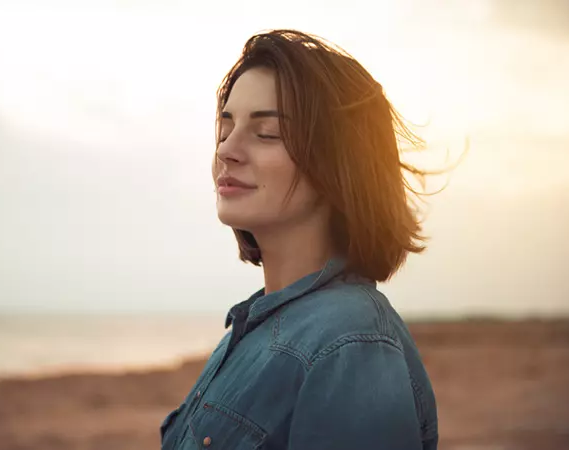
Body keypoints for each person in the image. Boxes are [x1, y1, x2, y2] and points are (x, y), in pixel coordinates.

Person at [160, 29, 439, 450]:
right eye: (225, 127)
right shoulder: (254, 328)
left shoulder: (349, 345)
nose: (227, 151)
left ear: (339, 163)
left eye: (266, 132)